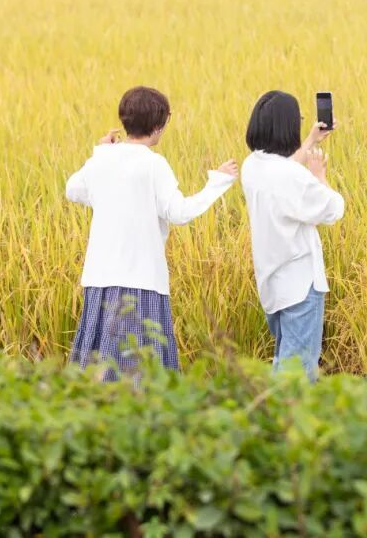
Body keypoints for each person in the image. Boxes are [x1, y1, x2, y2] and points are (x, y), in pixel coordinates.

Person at [65, 86, 238, 380]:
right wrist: (218, 182)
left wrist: (100, 151)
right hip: (141, 281)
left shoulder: (102, 160)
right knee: (141, 371)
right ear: (158, 126)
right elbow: (178, 212)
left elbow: (73, 189)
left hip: (100, 279)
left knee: (98, 370)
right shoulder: (154, 164)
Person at [240, 90, 345, 380]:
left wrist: (311, 140)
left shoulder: (252, 166)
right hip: (300, 286)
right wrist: (319, 177)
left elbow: (282, 172)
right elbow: (334, 209)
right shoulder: (293, 177)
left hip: (273, 286)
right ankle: (278, 412)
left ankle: (269, 408)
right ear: (287, 126)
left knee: (284, 364)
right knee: (296, 376)